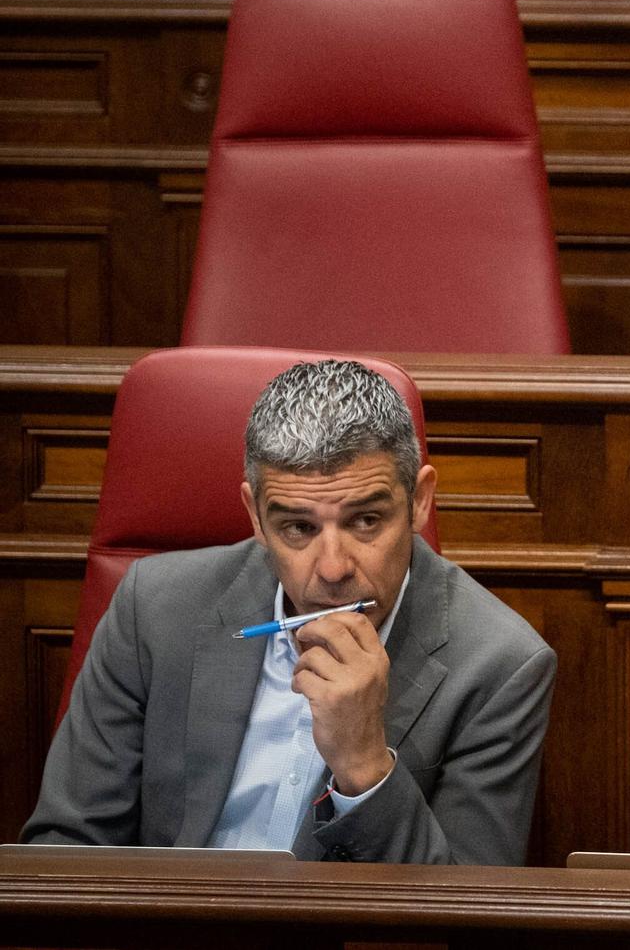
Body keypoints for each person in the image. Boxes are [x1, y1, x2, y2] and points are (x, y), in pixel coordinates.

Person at [23, 359, 556, 863]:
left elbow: (465, 909)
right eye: (298, 528)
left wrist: (365, 766)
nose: (331, 569)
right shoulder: (155, 606)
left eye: (366, 521)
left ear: (419, 501)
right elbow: (67, 847)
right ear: (256, 515)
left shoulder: (502, 666)